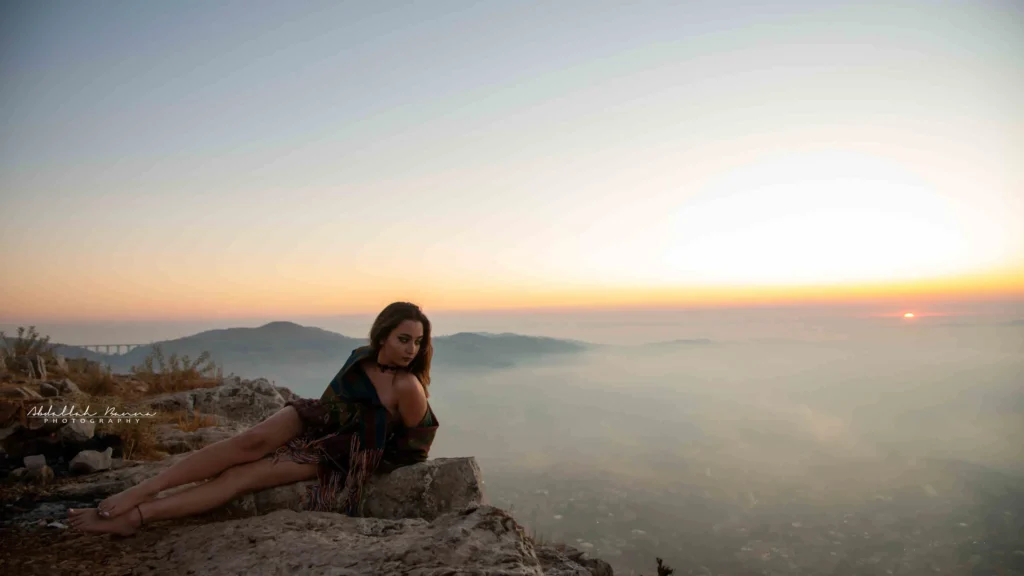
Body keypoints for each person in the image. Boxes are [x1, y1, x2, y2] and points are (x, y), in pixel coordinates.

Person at [67, 302, 439, 535]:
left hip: (341, 447)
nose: (412, 349)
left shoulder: (408, 387)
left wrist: (363, 461)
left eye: (418, 342)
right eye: (403, 339)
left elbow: (416, 446)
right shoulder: (360, 357)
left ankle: (139, 516)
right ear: (383, 336)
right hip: (319, 418)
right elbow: (334, 400)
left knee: (241, 476)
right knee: (248, 443)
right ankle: (143, 488)